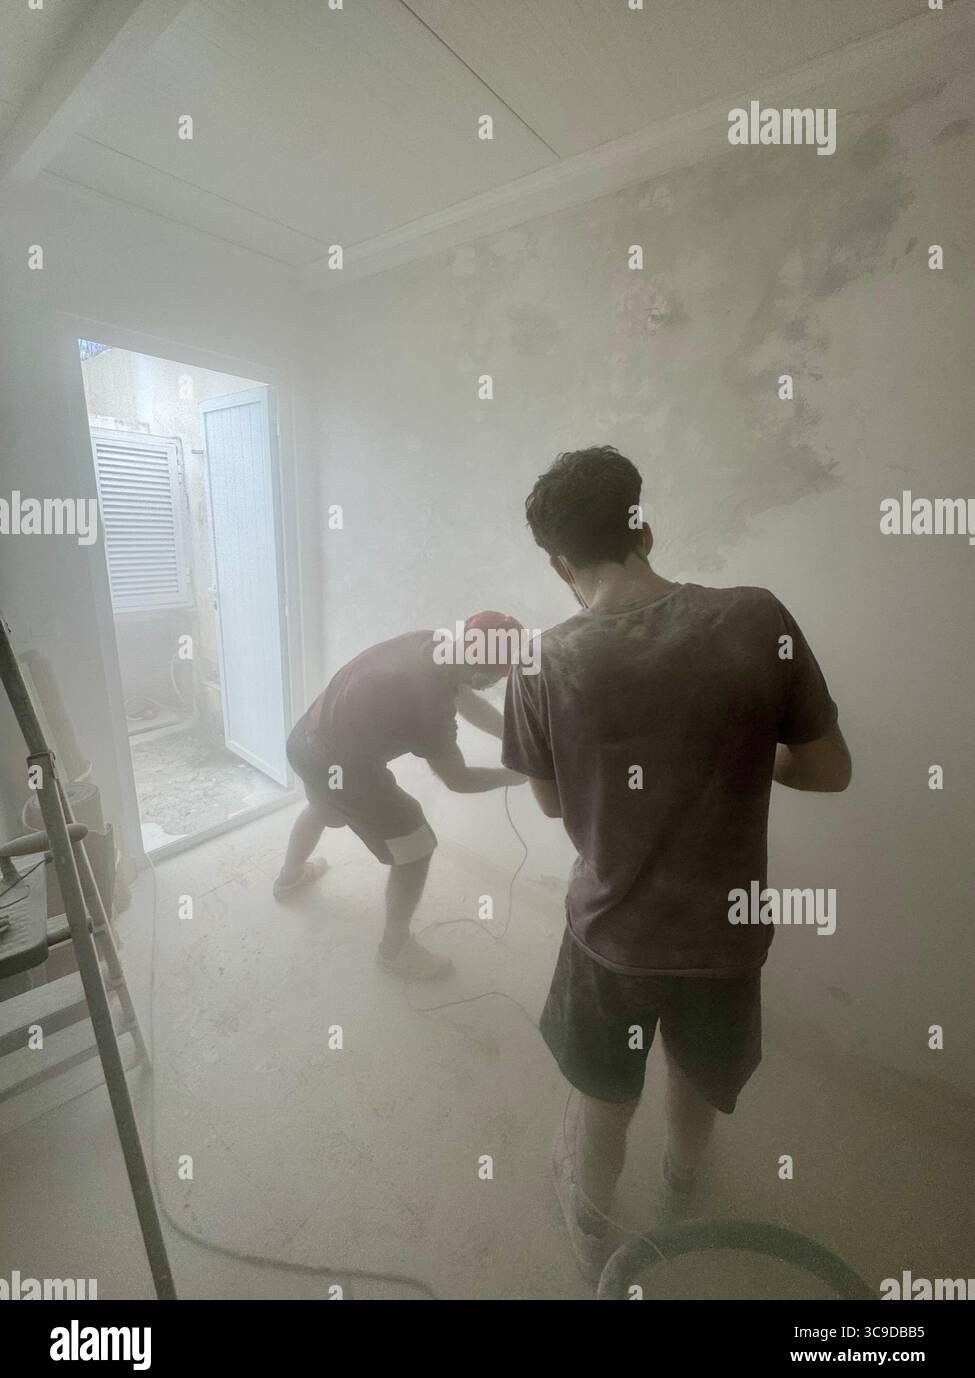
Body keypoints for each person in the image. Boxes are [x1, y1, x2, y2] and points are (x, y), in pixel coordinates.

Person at [501, 446, 851, 1282]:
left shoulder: (541, 664)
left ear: (557, 566)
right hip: (723, 937)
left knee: (604, 1097)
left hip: (609, 937)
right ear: (643, 528)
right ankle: (680, 1190)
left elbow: (553, 806)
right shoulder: (756, 617)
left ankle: (591, 1237)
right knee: (695, 1077)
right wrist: (747, 755)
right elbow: (829, 770)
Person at [275, 612, 526, 980]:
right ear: (481, 675)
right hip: (342, 765)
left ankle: (289, 877)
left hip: (306, 742)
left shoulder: (430, 643)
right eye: (497, 679)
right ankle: (395, 952)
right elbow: (458, 779)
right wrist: (512, 776)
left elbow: (464, 698)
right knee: (415, 846)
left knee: (325, 807)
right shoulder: (430, 709)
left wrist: (513, 734)